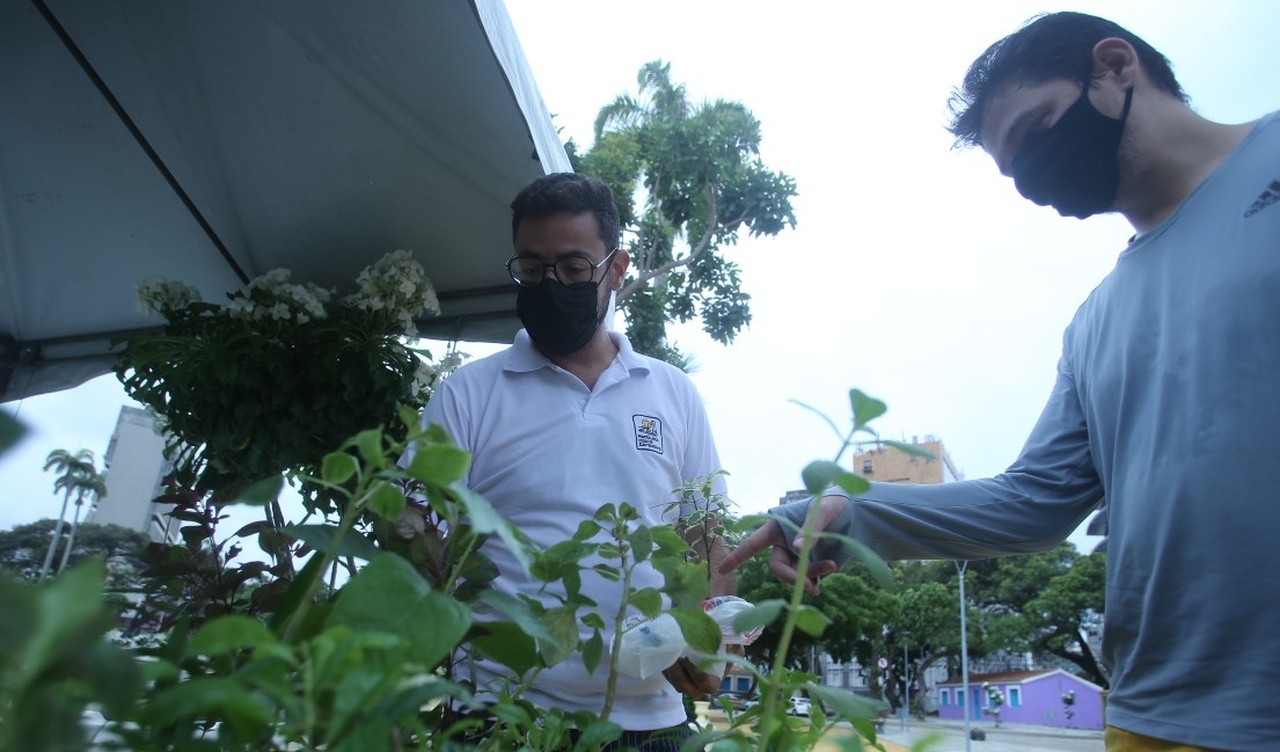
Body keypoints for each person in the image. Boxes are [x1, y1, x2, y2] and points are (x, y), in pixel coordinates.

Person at [720, 12, 1280, 752]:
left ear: (1115, 67)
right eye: (1013, 169)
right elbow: (1033, 504)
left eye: (1037, 128)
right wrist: (842, 510)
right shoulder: (1095, 322)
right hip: (1153, 716)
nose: (1032, 179)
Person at [418, 172, 734, 750]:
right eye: (533, 268)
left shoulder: (672, 393)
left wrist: (709, 642)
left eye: (572, 267)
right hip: (505, 718)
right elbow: (418, 538)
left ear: (616, 269)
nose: (550, 283)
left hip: (651, 723)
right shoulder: (466, 394)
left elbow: (704, 541)